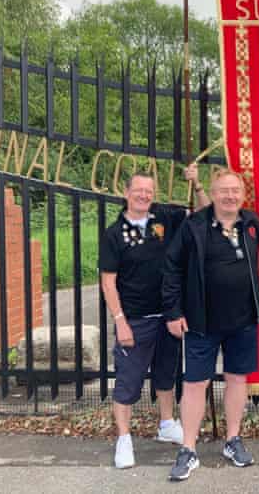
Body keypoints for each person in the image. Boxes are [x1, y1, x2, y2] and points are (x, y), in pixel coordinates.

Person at [99, 165, 208, 469]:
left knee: (166, 374)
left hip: (169, 315)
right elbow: (108, 282)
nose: (144, 195)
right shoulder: (114, 234)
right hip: (135, 319)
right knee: (128, 382)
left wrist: (197, 183)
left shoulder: (165, 217)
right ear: (126, 193)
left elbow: (204, 213)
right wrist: (120, 320)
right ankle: (123, 439)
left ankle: (166, 424)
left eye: (148, 191)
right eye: (138, 190)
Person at [162, 169, 259, 482]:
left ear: (242, 195)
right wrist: (173, 311)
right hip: (201, 321)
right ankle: (188, 449)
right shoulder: (194, 226)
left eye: (235, 191)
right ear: (214, 194)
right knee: (195, 384)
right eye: (224, 191)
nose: (230, 196)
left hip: (243, 320)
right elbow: (172, 268)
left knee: (237, 380)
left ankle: (233, 440)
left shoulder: (251, 224)